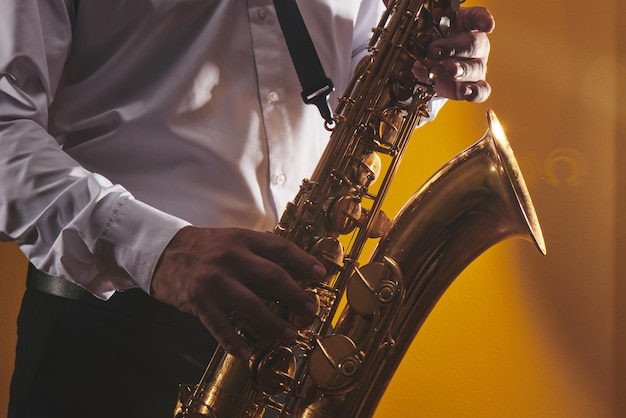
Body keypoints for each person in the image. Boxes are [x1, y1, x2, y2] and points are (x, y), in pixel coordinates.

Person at [0, 1, 494, 417]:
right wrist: (159, 250)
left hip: (280, 339)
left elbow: (359, 74)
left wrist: (422, 69)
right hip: (102, 337)